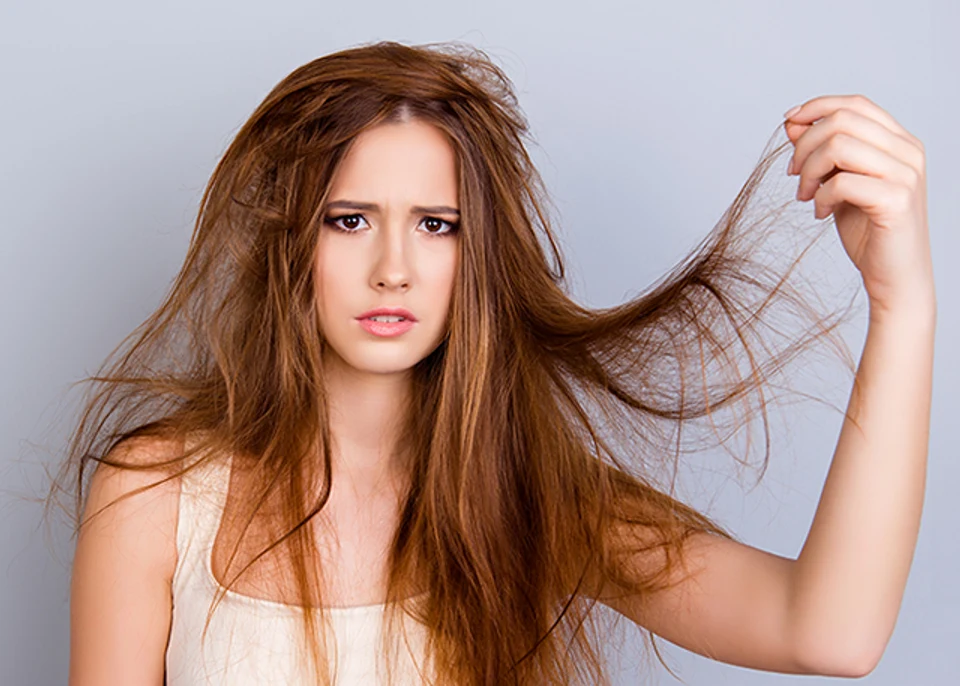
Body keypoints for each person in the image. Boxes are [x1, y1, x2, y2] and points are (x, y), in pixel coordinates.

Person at [59, 40, 935, 685]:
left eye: (436, 225)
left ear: (476, 254)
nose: (393, 265)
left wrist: (904, 304)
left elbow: (827, 633)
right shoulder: (154, 495)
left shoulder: (531, 496)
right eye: (350, 219)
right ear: (291, 240)